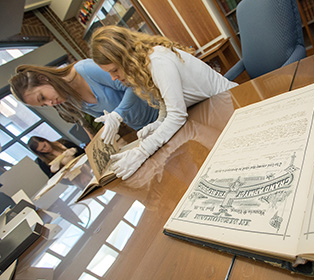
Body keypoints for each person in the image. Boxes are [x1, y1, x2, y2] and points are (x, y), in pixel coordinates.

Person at [90, 25, 239, 180]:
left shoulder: (158, 61)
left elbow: (177, 115)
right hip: (211, 111)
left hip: (232, 107)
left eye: (114, 70)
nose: (114, 77)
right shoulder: (148, 61)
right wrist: (159, 122)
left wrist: (142, 151)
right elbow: (166, 101)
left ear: (125, 58)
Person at [8, 59, 159, 143]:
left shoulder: (85, 70)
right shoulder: (70, 99)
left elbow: (132, 85)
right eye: (43, 105)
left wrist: (118, 113)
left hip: (161, 110)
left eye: (43, 97)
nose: (50, 103)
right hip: (146, 129)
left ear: (44, 78)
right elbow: (107, 115)